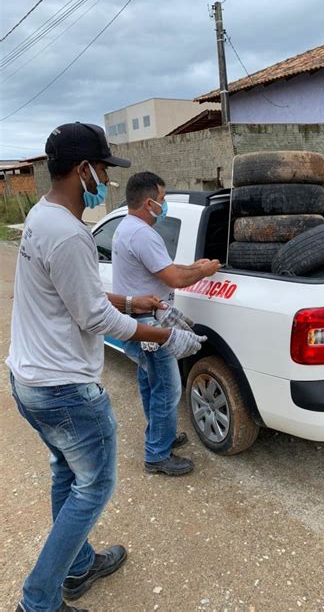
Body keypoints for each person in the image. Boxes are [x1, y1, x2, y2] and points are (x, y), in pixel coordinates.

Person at [7, 122, 207, 612]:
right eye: (102, 169)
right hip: (65, 389)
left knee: (66, 473)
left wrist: (130, 300)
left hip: (28, 379)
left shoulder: (41, 217)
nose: (105, 181)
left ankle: (77, 567)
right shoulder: (71, 234)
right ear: (82, 170)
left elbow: (80, 293)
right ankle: (38, 600)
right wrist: (167, 335)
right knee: (94, 486)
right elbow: (95, 317)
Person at [112, 171, 221, 476]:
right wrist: (204, 271)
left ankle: (161, 435)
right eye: (162, 200)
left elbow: (164, 269)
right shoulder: (144, 234)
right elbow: (173, 278)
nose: (165, 205)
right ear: (149, 203)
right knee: (168, 389)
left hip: (136, 319)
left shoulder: (127, 227)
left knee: (151, 382)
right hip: (148, 324)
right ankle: (157, 455)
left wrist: (194, 266)